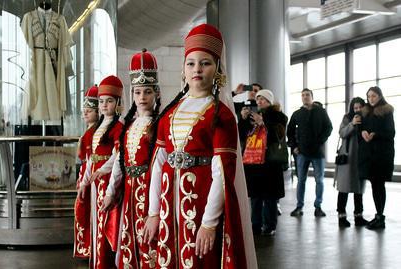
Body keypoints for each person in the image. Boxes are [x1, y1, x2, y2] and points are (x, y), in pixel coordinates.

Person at [142, 24, 257, 269]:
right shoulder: (170, 113)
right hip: (166, 207)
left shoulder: (222, 115)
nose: (197, 69)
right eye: (191, 63)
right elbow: (158, 163)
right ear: (183, 70)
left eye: (205, 63)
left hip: (201, 204)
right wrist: (153, 213)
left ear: (217, 69)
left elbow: (222, 174)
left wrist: (209, 223)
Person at [101, 49, 161, 268]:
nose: (142, 97)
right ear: (132, 95)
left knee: (149, 241)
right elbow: (119, 161)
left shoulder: (159, 125)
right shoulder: (127, 126)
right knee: (129, 240)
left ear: (156, 93)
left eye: (147, 92)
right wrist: (110, 191)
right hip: (129, 191)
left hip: (150, 189)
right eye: (137, 92)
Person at [78, 75, 124, 268]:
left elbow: (118, 156)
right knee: (96, 221)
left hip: (108, 182)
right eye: (102, 101)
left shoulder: (119, 128)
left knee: (106, 223)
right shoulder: (97, 128)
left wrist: (103, 171)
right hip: (96, 182)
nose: (105, 105)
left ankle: (105, 263)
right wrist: (85, 182)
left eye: (110, 101)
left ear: (118, 103)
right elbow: (91, 158)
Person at [238, 89, 287, 236]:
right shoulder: (252, 116)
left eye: (262, 99)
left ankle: (270, 225)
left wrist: (263, 123)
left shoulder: (279, 116)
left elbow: (277, 136)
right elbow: (241, 136)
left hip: (270, 162)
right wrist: (243, 119)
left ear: (269, 101)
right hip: (254, 162)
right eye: (258, 99)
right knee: (256, 196)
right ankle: (255, 225)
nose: (259, 101)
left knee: (270, 196)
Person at [287, 88, 332, 217]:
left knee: (319, 180)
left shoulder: (321, 112)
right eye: (303, 95)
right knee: (301, 180)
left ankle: (318, 206)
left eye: (307, 95)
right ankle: (299, 207)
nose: (305, 97)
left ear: (312, 97)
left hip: (318, 152)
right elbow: (289, 131)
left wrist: (320, 141)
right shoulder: (297, 114)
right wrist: (293, 146)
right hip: (302, 152)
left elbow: (329, 127)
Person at [358, 86, 395, 230]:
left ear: (379, 96)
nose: (370, 99)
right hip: (369, 155)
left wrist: (375, 134)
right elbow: (359, 128)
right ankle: (379, 216)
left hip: (382, 155)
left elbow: (391, 132)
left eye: (373, 96)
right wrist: (362, 133)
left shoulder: (386, 111)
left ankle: (380, 216)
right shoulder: (365, 112)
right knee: (374, 185)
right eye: (369, 96)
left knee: (379, 185)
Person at [334, 97, 369, 228]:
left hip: (361, 158)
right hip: (348, 158)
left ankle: (358, 216)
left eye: (360, 107)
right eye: (355, 108)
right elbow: (342, 133)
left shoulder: (367, 119)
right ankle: (341, 217)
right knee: (344, 188)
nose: (358, 110)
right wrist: (352, 124)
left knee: (359, 189)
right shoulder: (347, 118)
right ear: (352, 109)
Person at [73, 85, 99, 259]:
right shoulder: (88, 132)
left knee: (86, 210)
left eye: (89, 111)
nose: (85, 114)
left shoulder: (94, 133)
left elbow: (91, 157)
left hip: (89, 175)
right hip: (84, 172)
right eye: (84, 111)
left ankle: (89, 247)